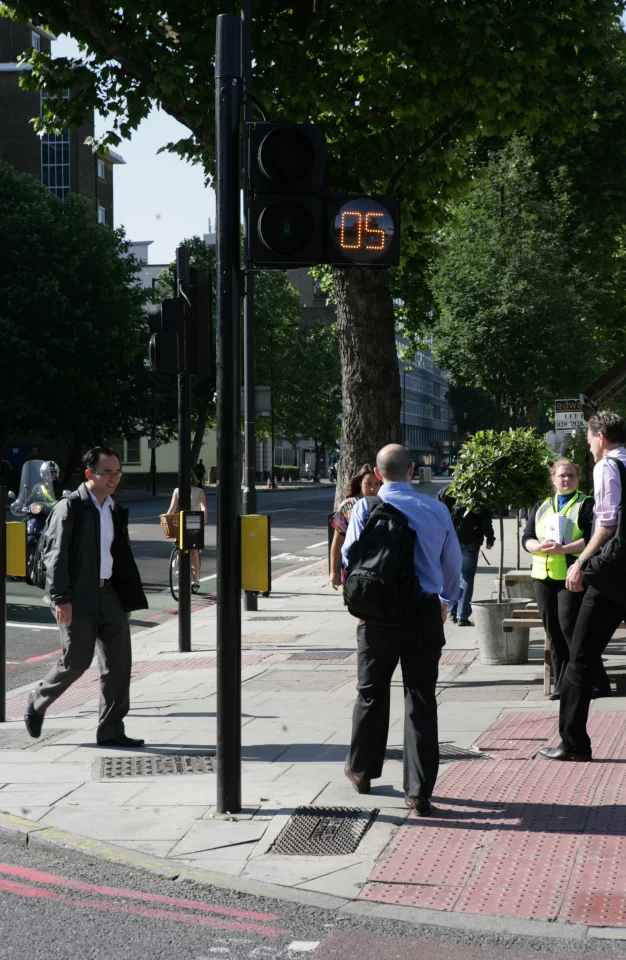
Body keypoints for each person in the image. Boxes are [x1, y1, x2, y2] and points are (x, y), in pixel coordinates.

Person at [342, 444, 462, 815]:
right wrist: (446, 599)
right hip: (423, 613)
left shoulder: (364, 508)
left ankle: (362, 771)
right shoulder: (436, 509)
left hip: (377, 617)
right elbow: (452, 564)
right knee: (421, 698)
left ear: (377, 475)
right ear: (412, 470)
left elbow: (350, 558)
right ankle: (419, 790)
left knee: (371, 693)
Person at [24, 446, 148, 747]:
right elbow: (56, 555)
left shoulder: (113, 508)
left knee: (118, 665)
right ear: (90, 473)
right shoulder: (72, 507)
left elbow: (119, 555)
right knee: (75, 663)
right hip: (77, 599)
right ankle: (38, 699)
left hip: (110, 596)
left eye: (118, 473)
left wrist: (127, 600)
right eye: (108, 473)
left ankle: (111, 730)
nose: (114, 478)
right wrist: (60, 598)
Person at [540, 412, 626, 763]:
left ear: (601, 436)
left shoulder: (607, 467)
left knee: (580, 657)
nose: (589, 446)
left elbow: (606, 525)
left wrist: (579, 562)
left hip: (612, 574)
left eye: (590, 439)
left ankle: (573, 742)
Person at [523, 459, 607, 701]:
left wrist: (565, 549)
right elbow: (527, 537)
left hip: (571, 575)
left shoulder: (586, 503)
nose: (566, 480)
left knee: (572, 630)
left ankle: (597, 682)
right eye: (561, 476)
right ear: (553, 479)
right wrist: (537, 546)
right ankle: (562, 685)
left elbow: (594, 538)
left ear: (578, 478)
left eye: (571, 475)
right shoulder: (542, 505)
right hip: (542, 577)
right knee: (554, 633)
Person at [438, 484, 495, 626]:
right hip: (471, 541)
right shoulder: (478, 492)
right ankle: (462, 615)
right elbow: (485, 519)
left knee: (451, 575)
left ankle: (452, 609)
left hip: (450, 540)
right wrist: (490, 538)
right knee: (467, 577)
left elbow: (438, 513)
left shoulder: (446, 491)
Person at [328, 464, 382, 590]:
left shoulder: (383, 504)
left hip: (378, 565)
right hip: (353, 567)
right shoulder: (348, 506)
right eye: (368, 484)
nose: (373, 489)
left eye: (377, 484)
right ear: (360, 483)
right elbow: (338, 540)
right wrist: (333, 572)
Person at [166, 471, 207, 591]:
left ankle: (177, 561)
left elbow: (172, 509)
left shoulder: (177, 491)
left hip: (181, 522)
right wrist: (203, 517)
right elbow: (204, 507)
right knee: (194, 551)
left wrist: (167, 519)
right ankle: (195, 580)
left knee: (180, 544)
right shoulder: (199, 491)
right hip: (194, 522)